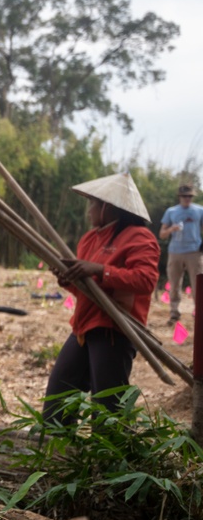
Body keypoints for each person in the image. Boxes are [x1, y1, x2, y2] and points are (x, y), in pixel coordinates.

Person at [45, 173, 160, 424]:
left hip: (114, 329)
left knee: (108, 409)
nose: (88, 211)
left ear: (107, 206)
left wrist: (98, 269)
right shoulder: (90, 239)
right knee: (57, 398)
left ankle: (110, 461)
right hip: (83, 326)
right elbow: (87, 291)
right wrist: (68, 278)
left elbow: (145, 280)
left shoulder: (140, 237)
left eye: (92, 204)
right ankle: (57, 454)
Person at [158, 184, 203, 325]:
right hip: (175, 252)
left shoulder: (200, 210)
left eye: (190, 196)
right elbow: (162, 234)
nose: (187, 198)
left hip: (194, 252)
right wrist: (171, 229)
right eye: (184, 196)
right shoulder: (171, 212)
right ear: (180, 197)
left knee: (198, 285)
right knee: (174, 285)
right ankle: (174, 313)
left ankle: (199, 314)